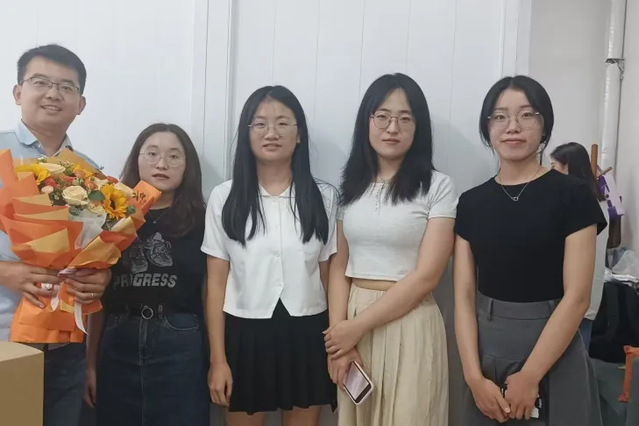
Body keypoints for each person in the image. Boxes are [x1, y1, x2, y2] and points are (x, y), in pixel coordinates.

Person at [454, 75, 607, 425]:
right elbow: (463, 296)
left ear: (544, 125)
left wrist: (530, 375)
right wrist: (473, 377)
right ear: (487, 127)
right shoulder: (471, 203)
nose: (513, 126)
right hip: (487, 349)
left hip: (555, 348)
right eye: (500, 116)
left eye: (527, 115)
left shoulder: (573, 195)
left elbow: (578, 297)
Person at [325, 73, 456, 426]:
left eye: (405, 118)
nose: (392, 128)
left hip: (410, 320)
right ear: (366, 122)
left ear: (418, 127)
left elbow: (428, 276)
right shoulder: (350, 188)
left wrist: (356, 327)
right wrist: (340, 338)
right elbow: (339, 267)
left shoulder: (438, 187)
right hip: (353, 320)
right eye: (382, 116)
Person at [203, 85, 338, 426]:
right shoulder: (225, 197)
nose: (271, 133)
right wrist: (218, 360)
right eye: (260, 123)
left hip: (309, 332)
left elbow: (329, 276)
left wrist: (338, 343)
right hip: (244, 333)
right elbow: (215, 285)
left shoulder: (323, 197)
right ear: (246, 133)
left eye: (282, 123)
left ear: (299, 134)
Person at [0, 44, 111, 426]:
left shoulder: (92, 174)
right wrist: (4, 271)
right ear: (18, 92)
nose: (53, 93)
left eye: (66, 87)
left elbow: (97, 253)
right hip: (2, 337)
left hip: (67, 342)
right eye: (41, 82)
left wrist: (100, 276)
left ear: (81, 104)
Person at [84, 123, 210, 425]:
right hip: (118, 339)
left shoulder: (204, 219)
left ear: (188, 165)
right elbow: (98, 295)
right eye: (152, 154)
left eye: (174, 156)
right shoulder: (110, 216)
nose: (161, 164)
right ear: (136, 159)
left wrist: (216, 360)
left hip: (180, 342)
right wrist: (89, 363)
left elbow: (211, 291)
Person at [550, 142, 610, 349]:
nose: (550, 173)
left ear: (568, 166)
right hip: (585, 287)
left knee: (572, 348)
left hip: (576, 287)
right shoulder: (596, 199)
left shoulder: (582, 202)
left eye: (554, 166)